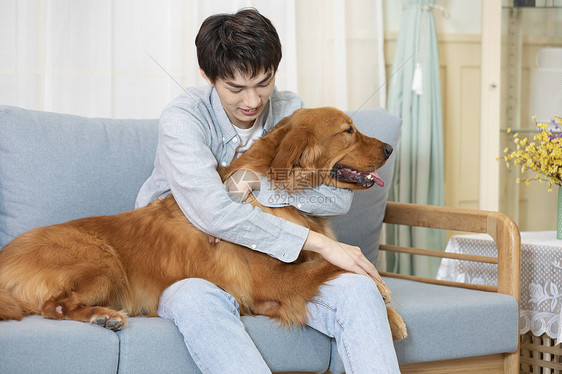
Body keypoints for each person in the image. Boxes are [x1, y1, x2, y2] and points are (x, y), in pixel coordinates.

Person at [136, 8, 400, 374]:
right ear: (207, 76)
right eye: (236, 88)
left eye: (263, 82)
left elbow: (338, 196)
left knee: (358, 291)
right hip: (185, 259)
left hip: (267, 262)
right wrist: (321, 243)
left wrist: (255, 183)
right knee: (195, 299)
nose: (252, 101)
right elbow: (212, 213)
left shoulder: (290, 109)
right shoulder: (184, 118)